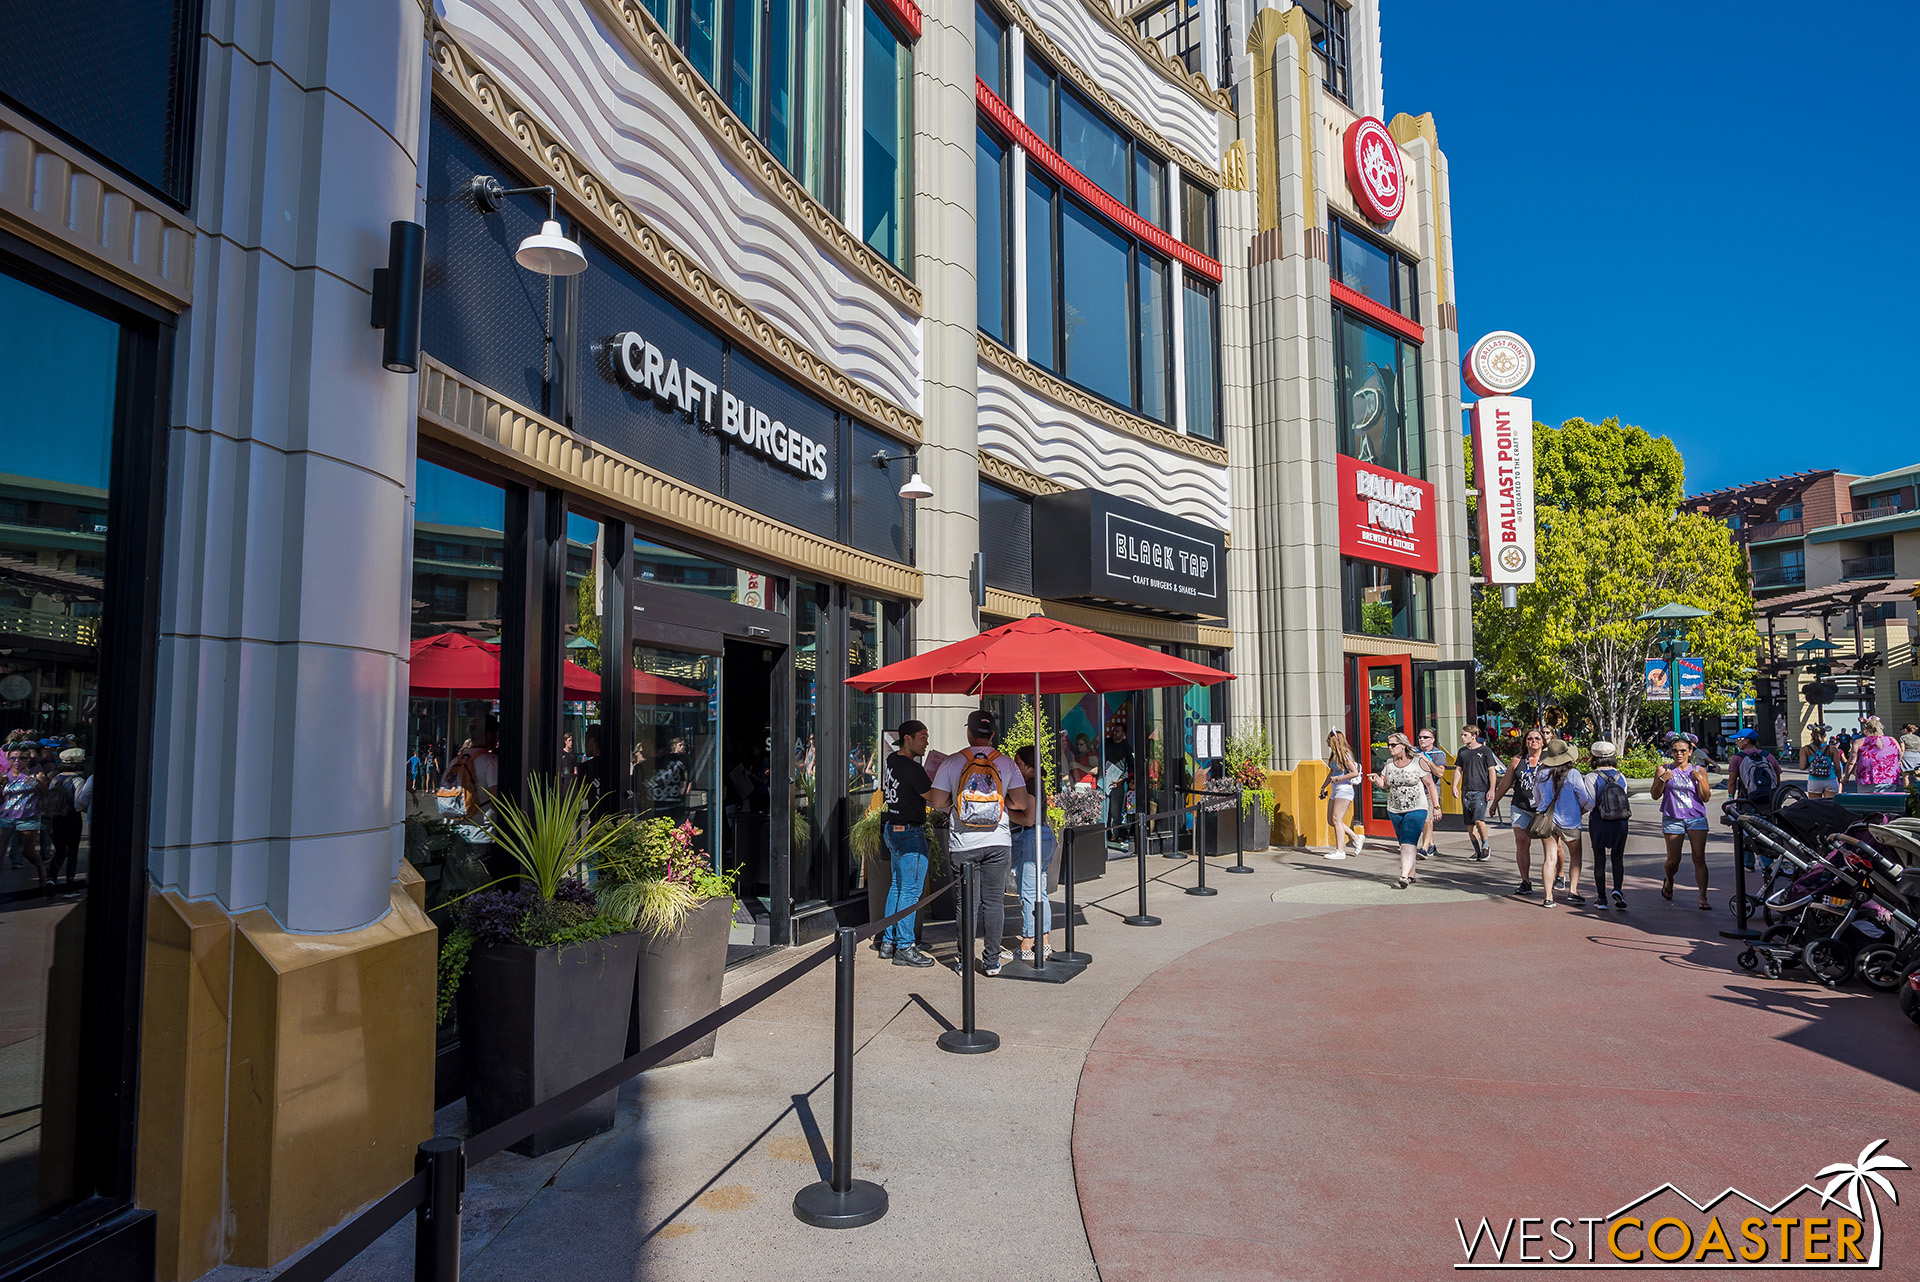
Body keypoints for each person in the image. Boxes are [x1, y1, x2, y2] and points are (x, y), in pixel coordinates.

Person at [928, 709, 1029, 977]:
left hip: (963, 843)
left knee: (966, 904)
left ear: (969, 733)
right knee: (994, 902)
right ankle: (992, 962)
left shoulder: (951, 763)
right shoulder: (1007, 763)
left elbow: (937, 802)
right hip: (998, 840)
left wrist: (957, 803)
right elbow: (1021, 803)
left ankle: (964, 961)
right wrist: (1000, 802)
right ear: (993, 734)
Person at [877, 720, 936, 967]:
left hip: (893, 829)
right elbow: (934, 798)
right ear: (908, 738)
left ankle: (889, 942)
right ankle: (904, 946)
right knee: (911, 891)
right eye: (922, 737)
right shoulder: (914, 769)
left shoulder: (892, 761)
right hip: (910, 832)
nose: (926, 742)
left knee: (898, 887)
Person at [1653, 732, 1712, 911]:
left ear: (1690, 752)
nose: (1679, 754)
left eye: (1683, 751)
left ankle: (1702, 896)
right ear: (1671, 752)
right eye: (1675, 751)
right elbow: (1655, 795)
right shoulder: (1663, 769)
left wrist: (1700, 781)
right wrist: (1662, 780)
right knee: (1673, 860)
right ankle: (1669, 880)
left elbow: (1706, 797)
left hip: (1696, 818)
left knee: (1699, 857)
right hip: (1673, 818)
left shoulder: (1699, 770)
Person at [1531, 739, 1592, 908]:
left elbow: (1537, 799)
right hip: (1570, 820)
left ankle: (1548, 896)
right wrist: (1578, 811)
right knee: (1576, 855)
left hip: (1547, 821)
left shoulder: (1541, 772)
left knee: (1549, 858)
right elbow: (1586, 799)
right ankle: (1573, 891)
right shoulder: (1573, 773)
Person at [1011, 745, 1056, 965]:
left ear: (1027, 764)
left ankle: (1027, 943)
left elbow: (1028, 818)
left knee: (1028, 893)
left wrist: (1004, 810)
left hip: (1030, 837)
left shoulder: (1029, 783)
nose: (1015, 766)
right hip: (1045, 836)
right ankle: (1044, 940)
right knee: (1041, 892)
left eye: (1018, 762)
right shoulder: (1039, 782)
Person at [1489, 727, 1547, 897]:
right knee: (1522, 842)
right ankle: (1525, 881)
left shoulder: (1549, 760)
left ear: (1543, 742)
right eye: (1530, 738)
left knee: (1550, 845)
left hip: (1543, 809)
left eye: (1537, 738)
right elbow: (1506, 783)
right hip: (1520, 806)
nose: (1533, 741)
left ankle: (1558, 874)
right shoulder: (1517, 760)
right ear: (1525, 742)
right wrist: (1495, 803)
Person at [1367, 733, 1428, 890]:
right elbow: (1384, 783)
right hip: (1395, 808)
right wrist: (1376, 780)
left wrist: (1436, 806)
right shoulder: (1389, 763)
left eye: (1393, 745)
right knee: (1404, 842)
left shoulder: (1417, 762)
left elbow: (1430, 784)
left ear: (1404, 746)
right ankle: (1412, 873)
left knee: (1408, 840)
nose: (1390, 748)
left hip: (1417, 807)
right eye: (1389, 745)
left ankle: (1404, 876)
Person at [1586, 742, 1631, 911]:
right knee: (1617, 858)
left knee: (1599, 859)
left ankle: (1602, 898)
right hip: (1620, 822)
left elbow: (1590, 802)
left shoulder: (1591, 777)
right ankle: (1618, 889)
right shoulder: (1621, 776)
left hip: (1599, 821)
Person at [1451, 725, 1500, 862]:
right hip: (1466, 791)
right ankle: (1477, 851)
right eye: (1461, 734)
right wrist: (1455, 786)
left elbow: (1492, 771)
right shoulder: (1462, 752)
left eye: (1464, 735)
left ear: (1473, 736)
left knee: (1479, 820)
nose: (1462, 737)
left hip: (1480, 790)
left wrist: (1491, 789)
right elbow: (1458, 770)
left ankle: (1485, 846)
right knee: (1470, 824)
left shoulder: (1485, 751)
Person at [44, 748, 85, 890]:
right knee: (72, 851)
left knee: (60, 850)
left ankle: (51, 878)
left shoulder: (55, 779)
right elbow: (79, 803)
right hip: (72, 819)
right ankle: (70, 884)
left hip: (56, 819)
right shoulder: (78, 780)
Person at [1320, 730, 1364, 858]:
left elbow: (1355, 772)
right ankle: (1356, 838)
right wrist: (1323, 787)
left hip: (1344, 789)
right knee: (1331, 820)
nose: (1327, 741)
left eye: (1328, 739)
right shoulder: (1335, 755)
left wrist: (1339, 779)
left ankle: (1340, 851)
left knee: (1336, 820)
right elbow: (1331, 773)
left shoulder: (1345, 755)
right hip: (1335, 789)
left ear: (1334, 740)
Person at [1413, 728, 1448, 859]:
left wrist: (1426, 760)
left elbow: (1440, 773)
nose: (1422, 739)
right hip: (1416, 790)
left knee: (1427, 819)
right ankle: (1431, 844)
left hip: (1430, 791)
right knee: (1423, 821)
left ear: (1432, 740)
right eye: (1420, 737)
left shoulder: (1438, 754)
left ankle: (1424, 848)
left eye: (1425, 737)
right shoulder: (1414, 751)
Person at [1850, 716, 1902, 793]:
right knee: (1887, 802)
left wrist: (1846, 777)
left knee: (1867, 802)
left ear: (1865, 730)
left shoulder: (1859, 742)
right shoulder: (1892, 740)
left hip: (1867, 778)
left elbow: (1852, 762)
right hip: (1889, 778)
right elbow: (1900, 753)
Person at [1802, 728, 1843, 799]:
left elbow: (1802, 767)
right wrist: (1839, 779)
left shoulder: (1805, 749)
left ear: (1811, 735)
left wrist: (1811, 763)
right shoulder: (1832, 749)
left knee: (1815, 805)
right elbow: (1837, 767)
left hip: (1814, 780)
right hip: (1830, 779)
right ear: (1824, 736)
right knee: (1830, 806)